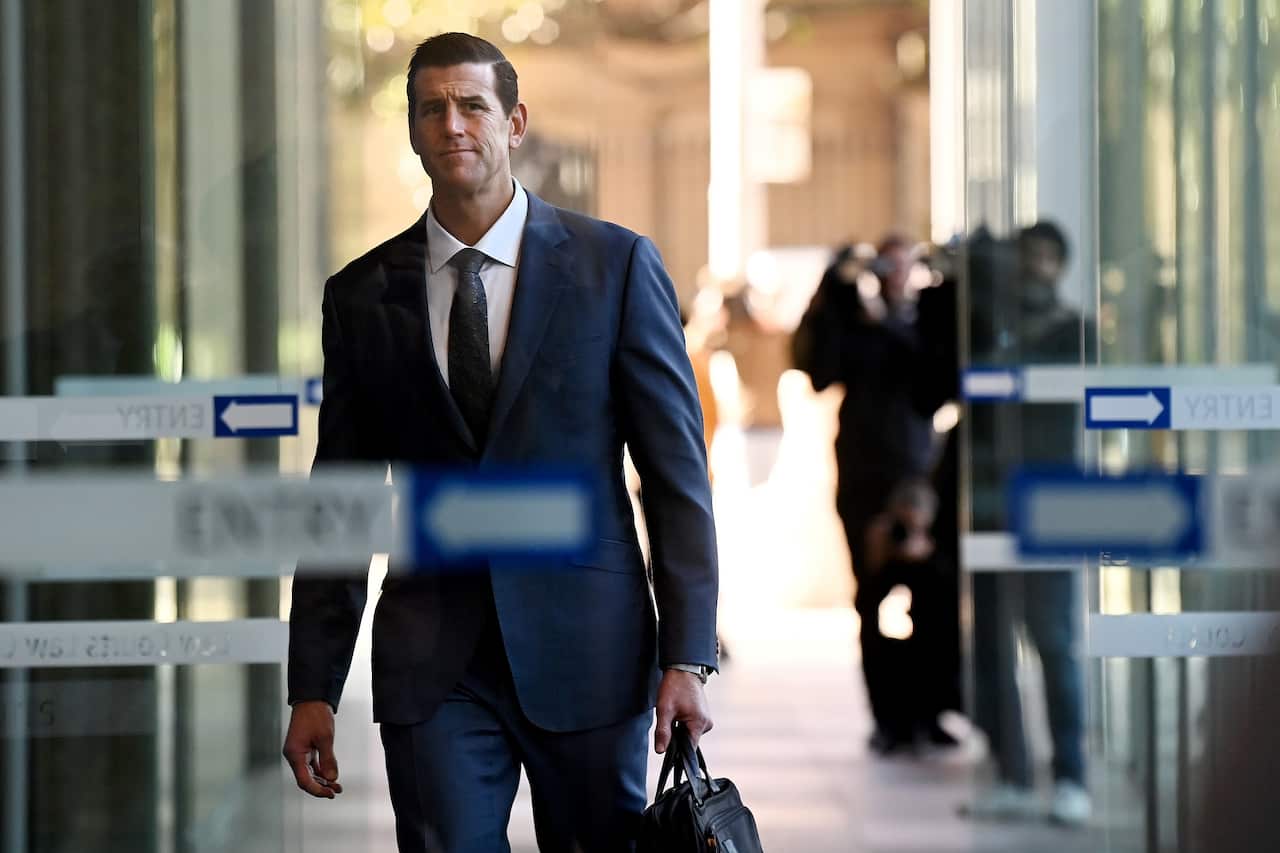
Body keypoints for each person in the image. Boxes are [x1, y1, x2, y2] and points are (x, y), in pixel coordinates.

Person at [281, 33, 719, 853]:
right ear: (412, 131)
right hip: (433, 664)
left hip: (588, 648)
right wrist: (314, 684)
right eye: (432, 108)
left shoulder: (615, 266)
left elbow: (675, 477)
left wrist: (688, 656)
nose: (453, 124)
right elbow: (338, 496)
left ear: (514, 122)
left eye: (473, 105)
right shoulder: (362, 295)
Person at [962, 220, 1091, 826]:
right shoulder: (988, 325)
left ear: (1060, 266)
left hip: (1055, 499)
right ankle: (1013, 771)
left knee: (1054, 642)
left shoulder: (1074, 332)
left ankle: (1070, 776)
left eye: (1044, 258)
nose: (1033, 268)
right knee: (993, 643)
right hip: (994, 501)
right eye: (1024, 258)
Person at [793, 236, 941, 753]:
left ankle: (927, 711)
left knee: (931, 601)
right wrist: (834, 287)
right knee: (871, 600)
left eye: (908, 266)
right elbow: (818, 370)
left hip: (919, 479)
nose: (898, 276)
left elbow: (937, 381)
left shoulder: (927, 320)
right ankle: (887, 719)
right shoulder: (853, 323)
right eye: (888, 266)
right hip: (863, 477)